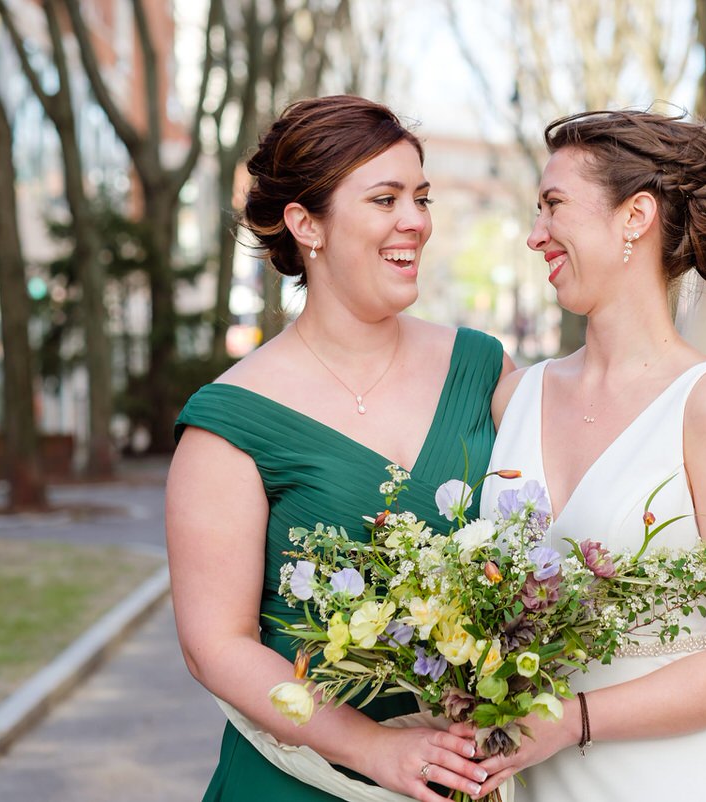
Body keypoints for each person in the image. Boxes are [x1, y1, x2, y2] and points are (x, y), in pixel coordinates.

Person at [166, 95, 512, 802]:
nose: (415, 220)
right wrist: (375, 748)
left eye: (420, 197)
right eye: (384, 199)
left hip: (466, 774)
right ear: (305, 224)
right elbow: (217, 647)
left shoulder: (484, 370)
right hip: (298, 780)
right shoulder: (231, 423)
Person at [472, 110, 706, 800]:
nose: (536, 235)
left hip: (692, 775)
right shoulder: (517, 398)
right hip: (544, 778)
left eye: (554, 206)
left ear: (636, 216)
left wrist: (575, 720)